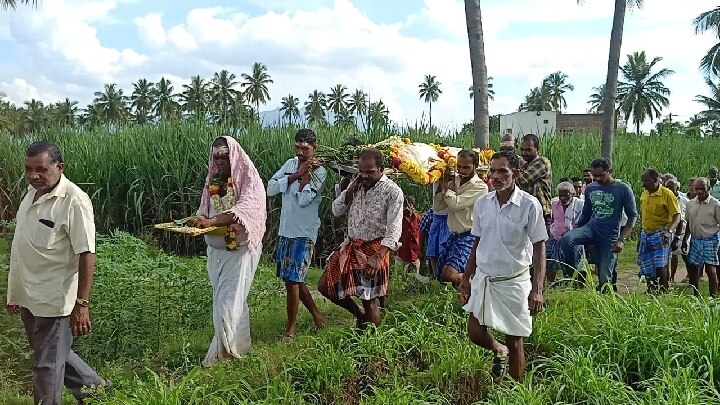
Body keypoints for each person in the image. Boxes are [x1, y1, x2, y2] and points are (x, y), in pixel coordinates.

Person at [6, 141, 109, 405]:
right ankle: (96, 391)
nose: (33, 176)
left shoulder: (74, 200)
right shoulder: (31, 194)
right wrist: (14, 291)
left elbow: (86, 252)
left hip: (55, 299)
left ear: (59, 167)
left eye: (41, 169)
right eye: (28, 169)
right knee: (50, 354)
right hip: (29, 295)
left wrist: (82, 304)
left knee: (46, 367)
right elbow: (22, 246)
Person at [458, 150, 547, 381]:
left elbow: (539, 247)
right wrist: (466, 278)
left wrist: (537, 290)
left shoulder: (529, 205)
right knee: (475, 333)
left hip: (514, 281)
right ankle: (499, 349)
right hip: (485, 278)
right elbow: (477, 241)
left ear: (515, 173)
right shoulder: (483, 203)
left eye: (502, 171)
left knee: (514, 339)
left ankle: (516, 392)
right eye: (492, 171)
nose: (495, 176)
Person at [188, 135, 266, 367]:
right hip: (217, 252)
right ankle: (240, 345)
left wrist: (211, 223)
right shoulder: (214, 180)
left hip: (239, 251)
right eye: (216, 157)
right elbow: (206, 210)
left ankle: (221, 357)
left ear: (234, 157)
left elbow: (243, 210)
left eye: (224, 156)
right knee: (230, 300)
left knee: (227, 304)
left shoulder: (250, 180)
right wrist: (198, 220)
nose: (220, 161)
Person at [318, 148, 403, 328]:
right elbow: (336, 210)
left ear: (381, 169)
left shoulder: (392, 192)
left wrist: (378, 257)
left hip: (374, 249)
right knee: (326, 286)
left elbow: (395, 229)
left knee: (368, 298)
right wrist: (351, 189)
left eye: (369, 172)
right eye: (361, 171)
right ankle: (360, 315)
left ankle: (371, 345)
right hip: (351, 246)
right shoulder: (356, 185)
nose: (364, 176)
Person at [267, 129, 326, 341]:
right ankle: (317, 315)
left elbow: (303, 200)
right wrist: (296, 175)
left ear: (314, 148)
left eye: (305, 148)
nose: (301, 152)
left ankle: (290, 330)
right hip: (286, 229)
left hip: (304, 231)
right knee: (291, 279)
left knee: (293, 280)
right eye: (298, 147)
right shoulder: (290, 164)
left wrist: (306, 175)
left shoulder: (320, 172)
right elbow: (271, 188)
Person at [559, 158, 638, 291]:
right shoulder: (591, 188)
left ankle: (606, 304)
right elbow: (586, 214)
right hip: (591, 228)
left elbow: (633, 215)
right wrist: (580, 234)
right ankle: (576, 273)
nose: (597, 179)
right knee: (567, 239)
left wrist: (621, 239)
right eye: (595, 175)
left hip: (609, 235)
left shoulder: (622, 189)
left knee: (604, 279)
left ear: (610, 171)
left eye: (601, 175)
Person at [433, 150, 488, 286]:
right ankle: (468, 289)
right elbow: (438, 207)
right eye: (459, 166)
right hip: (453, 234)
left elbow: (456, 204)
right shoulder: (454, 182)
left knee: (449, 273)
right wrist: (441, 186)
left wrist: (446, 187)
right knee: (441, 274)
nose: (461, 170)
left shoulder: (480, 187)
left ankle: (478, 284)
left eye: (466, 167)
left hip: (469, 235)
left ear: (475, 166)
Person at [637, 169, 681, 292]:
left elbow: (677, 215)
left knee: (660, 264)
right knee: (647, 264)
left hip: (662, 232)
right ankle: (651, 289)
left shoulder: (667, 194)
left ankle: (663, 290)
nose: (643, 184)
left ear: (656, 180)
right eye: (643, 181)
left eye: (646, 181)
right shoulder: (645, 193)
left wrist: (670, 231)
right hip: (646, 233)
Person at [686, 178, 720, 297]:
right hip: (695, 239)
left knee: (710, 269)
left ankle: (713, 297)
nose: (699, 191)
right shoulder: (690, 203)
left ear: (708, 188)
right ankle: (696, 296)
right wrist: (685, 239)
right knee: (693, 268)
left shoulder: (715, 204)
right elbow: (688, 224)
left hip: (711, 239)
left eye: (702, 189)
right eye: (697, 189)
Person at [547, 181, 584, 283]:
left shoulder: (580, 204)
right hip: (556, 237)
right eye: (560, 195)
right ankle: (552, 283)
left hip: (574, 238)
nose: (563, 198)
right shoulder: (554, 203)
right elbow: (551, 220)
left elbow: (584, 221)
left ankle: (577, 283)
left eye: (566, 195)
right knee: (552, 262)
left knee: (575, 262)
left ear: (572, 193)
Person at [515, 134, 553, 223]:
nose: (524, 153)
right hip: (528, 210)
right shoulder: (526, 165)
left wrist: (510, 171)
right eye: (522, 150)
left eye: (528, 150)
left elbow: (522, 180)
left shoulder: (541, 162)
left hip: (540, 211)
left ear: (537, 148)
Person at [665, 179, 690, 282]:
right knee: (672, 255)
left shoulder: (685, 201)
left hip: (683, 232)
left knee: (685, 255)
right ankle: (671, 277)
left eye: (671, 187)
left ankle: (691, 275)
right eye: (667, 187)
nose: (669, 189)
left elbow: (685, 218)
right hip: (669, 231)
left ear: (677, 188)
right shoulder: (664, 199)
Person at [397, 196, 421, 274]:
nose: (407, 207)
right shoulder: (398, 219)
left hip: (415, 255)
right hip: (401, 254)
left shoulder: (418, 219)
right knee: (400, 278)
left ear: (413, 206)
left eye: (409, 204)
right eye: (404, 205)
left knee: (415, 278)